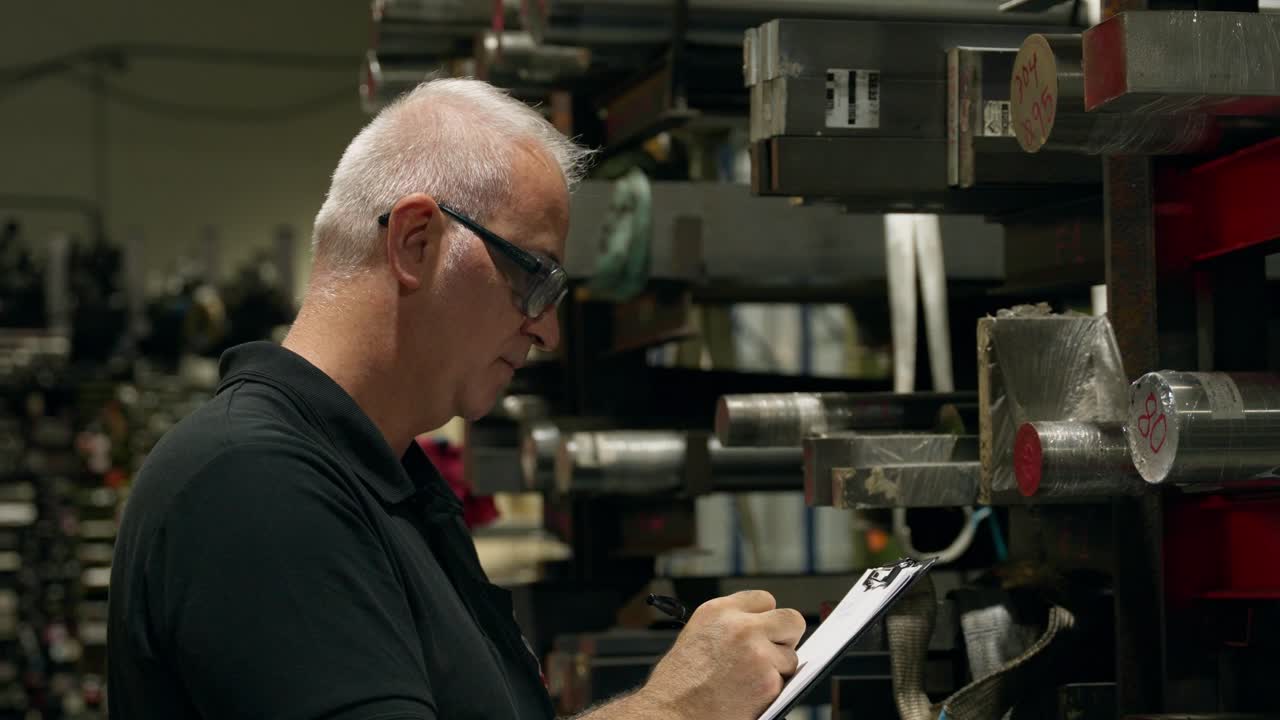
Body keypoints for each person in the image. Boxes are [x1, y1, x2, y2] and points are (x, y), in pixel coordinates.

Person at [106, 78, 807, 720]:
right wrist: (675, 710)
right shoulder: (252, 484)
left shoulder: (382, 480)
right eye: (534, 275)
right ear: (415, 242)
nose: (548, 330)